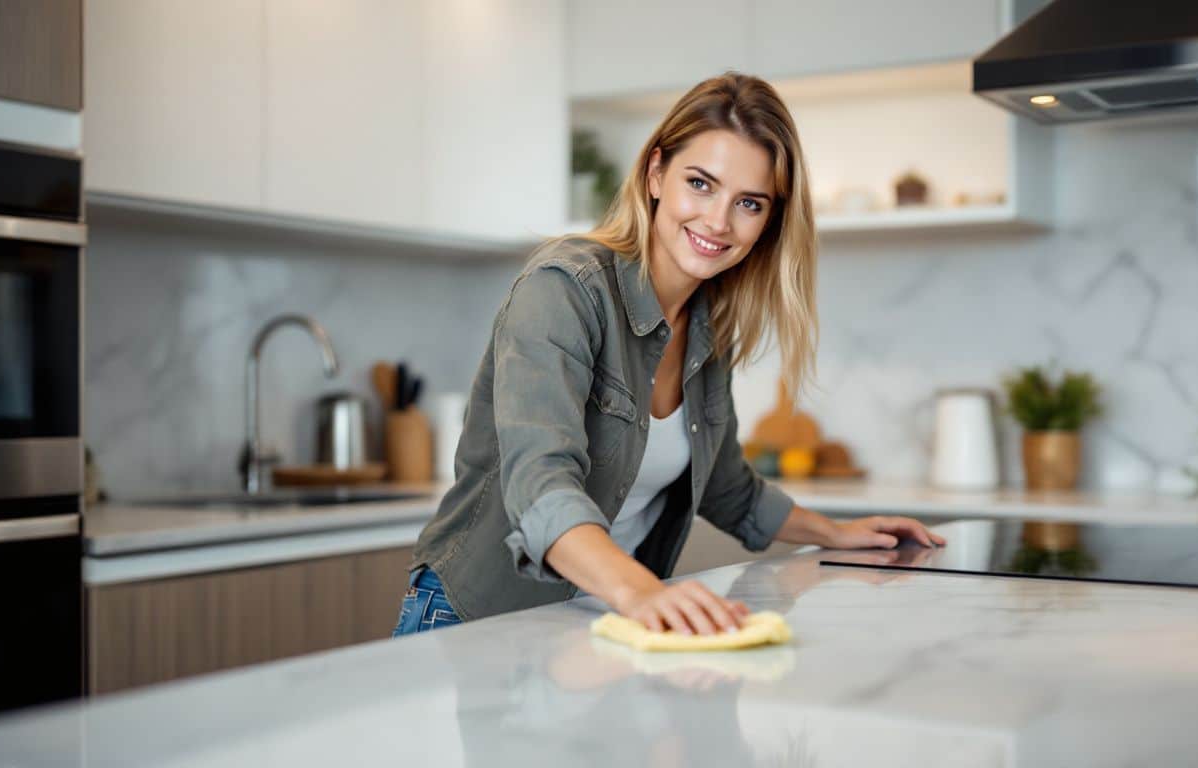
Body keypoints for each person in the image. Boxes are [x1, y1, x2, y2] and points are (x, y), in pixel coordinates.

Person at [393, 72, 944, 639]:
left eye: (749, 203)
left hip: (600, 619)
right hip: (477, 616)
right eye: (701, 184)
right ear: (656, 173)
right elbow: (540, 486)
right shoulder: (564, 290)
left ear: (769, 221)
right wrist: (646, 592)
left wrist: (836, 533)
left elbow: (726, 485)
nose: (718, 221)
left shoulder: (711, 323)